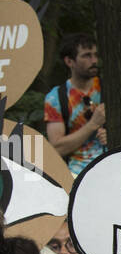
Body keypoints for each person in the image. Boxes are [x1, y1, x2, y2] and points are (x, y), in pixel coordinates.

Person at [43, 34, 106, 177]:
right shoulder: (56, 97)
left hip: (111, 170)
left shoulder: (108, 89)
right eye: (86, 56)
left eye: (95, 55)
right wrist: (92, 125)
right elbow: (57, 148)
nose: (94, 60)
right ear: (69, 61)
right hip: (74, 175)